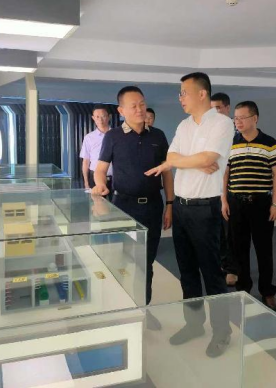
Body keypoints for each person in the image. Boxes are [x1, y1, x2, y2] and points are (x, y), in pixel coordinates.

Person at [146, 72, 234, 358]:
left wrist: (193, 161)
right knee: (187, 272)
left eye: (184, 92)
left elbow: (208, 159)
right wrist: (195, 161)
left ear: (202, 93)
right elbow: (170, 159)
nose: (180, 98)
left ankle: (222, 331)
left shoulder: (222, 123)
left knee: (212, 273)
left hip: (205, 208)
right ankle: (194, 324)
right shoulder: (184, 125)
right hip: (182, 208)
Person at [92, 86, 174, 318]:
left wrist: (170, 204)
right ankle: (122, 310)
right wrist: (100, 184)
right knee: (122, 260)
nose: (139, 109)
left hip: (153, 206)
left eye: (142, 104)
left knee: (146, 262)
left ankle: (143, 309)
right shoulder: (113, 137)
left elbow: (167, 173)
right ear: (121, 111)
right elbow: (100, 169)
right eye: (133, 106)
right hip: (123, 207)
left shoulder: (158, 136)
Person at [222, 101, 276, 311]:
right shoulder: (230, 143)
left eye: (242, 118)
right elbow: (225, 173)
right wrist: (224, 200)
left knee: (264, 250)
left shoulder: (270, 143)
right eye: (235, 118)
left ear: (254, 118)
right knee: (239, 249)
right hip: (236, 203)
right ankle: (243, 290)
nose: (237, 122)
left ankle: (268, 292)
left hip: (262, 204)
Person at [211, 92, 239, 286]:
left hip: (232, 189)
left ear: (227, 108)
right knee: (218, 231)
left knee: (231, 232)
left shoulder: (236, 134)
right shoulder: (211, 132)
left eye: (218, 108)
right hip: (212, 189)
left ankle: (232, 268)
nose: (215, 112)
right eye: (212, 109)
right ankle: (222, 263)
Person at [80, 105, 113, 190]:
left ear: (109, 117)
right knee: (96, 199)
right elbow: (86, 161)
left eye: (103, 116)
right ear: (93, 118)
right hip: (94, 178)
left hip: (115, 177)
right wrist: (86, 182)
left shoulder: (117, 135)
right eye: (97, 117)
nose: (100, 120)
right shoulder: (89, 138)